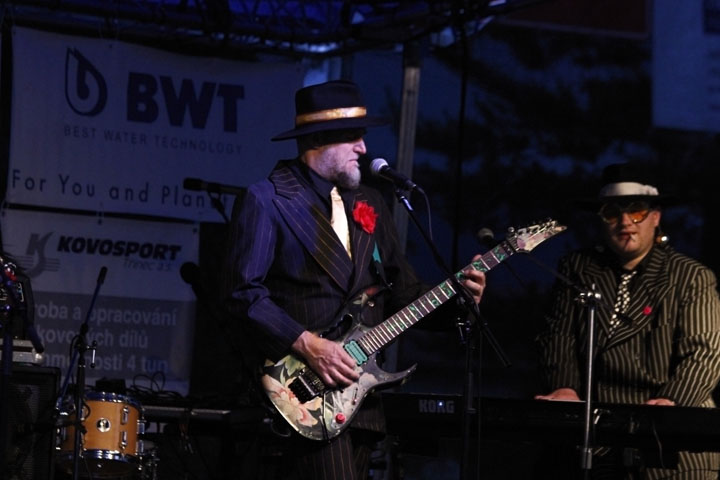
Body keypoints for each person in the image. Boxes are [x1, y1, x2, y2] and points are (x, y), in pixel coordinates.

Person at [223, 79, 486, 479]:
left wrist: (460, 300)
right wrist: (309, 345)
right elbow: (242, 294)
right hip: (303, 390)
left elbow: (404, 294)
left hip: (361, 399)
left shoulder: (370, 202)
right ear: (317, 140)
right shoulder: (268, 199)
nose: (364, 148)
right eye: (352, 137)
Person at [535, 162, 720, 479]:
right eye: (612, 212)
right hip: (596, 436)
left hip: (672, 443)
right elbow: (558, 336)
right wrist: (564, 387)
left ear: (655, 217)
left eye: (636, 211)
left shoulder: (691, 276)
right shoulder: (577, 268)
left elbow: (704, 353)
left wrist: (671, 401)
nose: (624, 222)